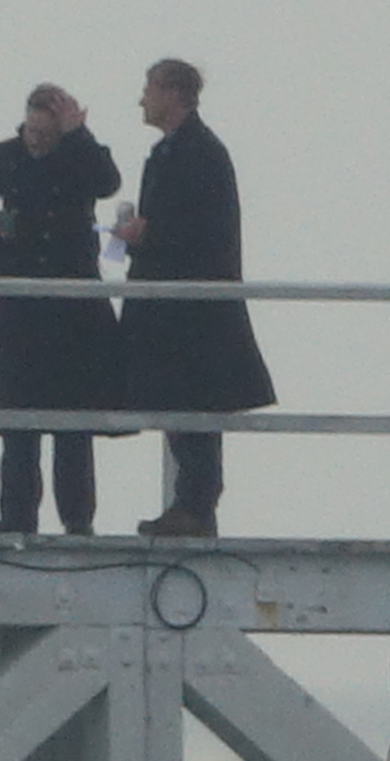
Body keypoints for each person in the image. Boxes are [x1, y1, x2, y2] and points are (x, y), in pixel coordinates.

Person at [0, 83, 123, 535]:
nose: (36, 141)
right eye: (31, 131)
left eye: (44, 134)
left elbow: (108, 181)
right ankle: (17, 518)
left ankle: (78, 521)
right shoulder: (5, 155)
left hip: (73, 306)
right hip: (18, 304)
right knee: (17, 420)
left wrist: (79, 135)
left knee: (74, 423)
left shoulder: (80, 155)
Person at [115, 59, 273, 538]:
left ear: (173, 92)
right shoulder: (179, 150)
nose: (142, 98)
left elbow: (205, 230)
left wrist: (148, 234)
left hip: (192, 308)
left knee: (194, 407)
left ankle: (196, 505)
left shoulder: (198, 152)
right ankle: (189, 505)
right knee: (183, 408)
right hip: (176, 307)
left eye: (149, 87)